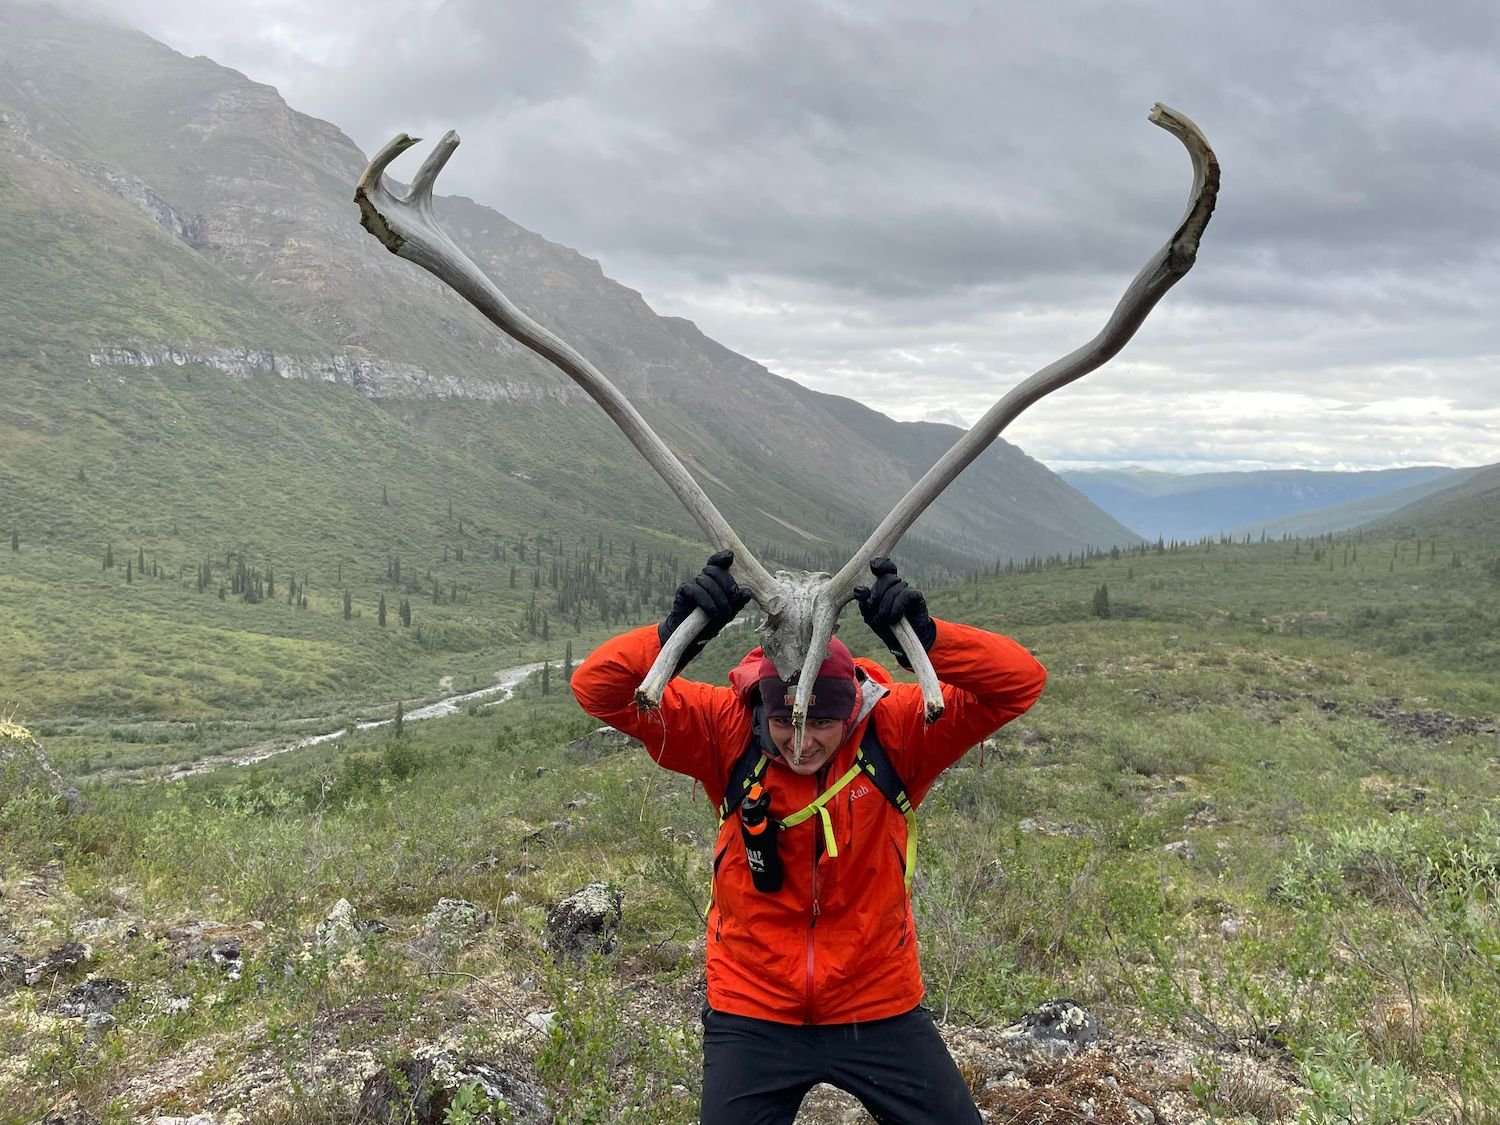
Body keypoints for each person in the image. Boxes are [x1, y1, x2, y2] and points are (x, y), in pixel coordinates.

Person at [572, 551, 1047, 1124]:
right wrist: (671, 637)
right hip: (753, 1005)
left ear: (851, 711)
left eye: (821, 722)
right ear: (760, 710)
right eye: (784, 722)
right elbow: (597, 688)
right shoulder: (723, 726)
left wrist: (929, 639)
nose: (802, 742)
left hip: (876, 1001)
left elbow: (1020, 682)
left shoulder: (895, 728)